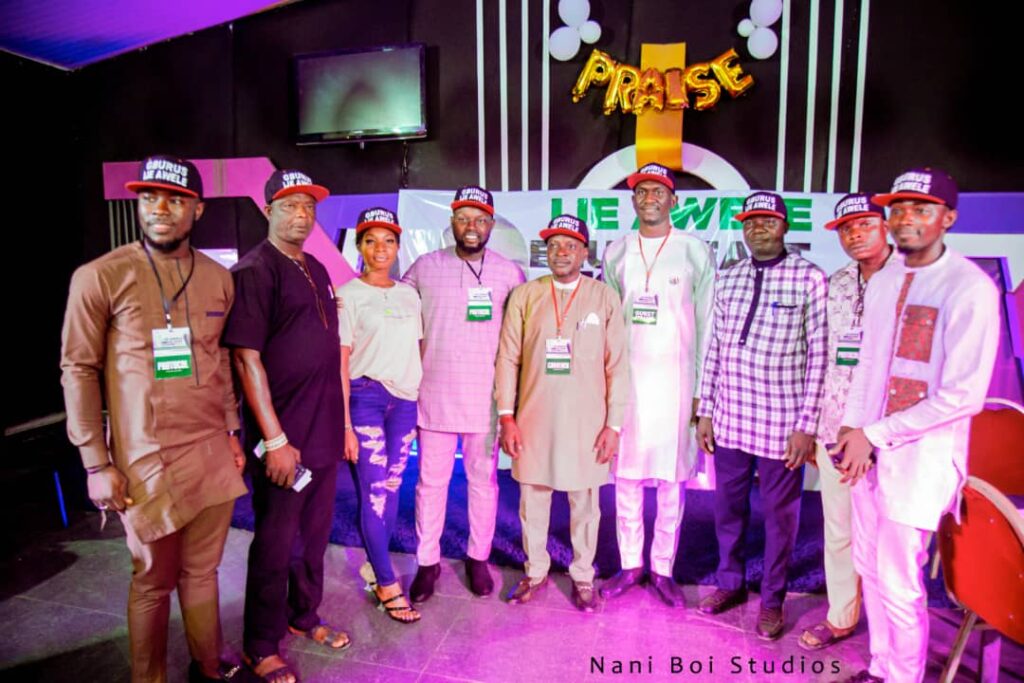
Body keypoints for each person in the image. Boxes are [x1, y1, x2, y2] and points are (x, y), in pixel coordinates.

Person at [60, 154, 247, 682]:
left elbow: (219, 361)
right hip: (144, 457)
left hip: (210, 449)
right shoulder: (100, 276)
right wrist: (96, 463)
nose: (160, 209)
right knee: (152, 579)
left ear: (197, 209)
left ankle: (208, 666)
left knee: (203, 570)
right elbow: (78, 369)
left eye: (174, 200)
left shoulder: (218, 278)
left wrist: (232, 432)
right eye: (149, 198)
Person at [832, 169, 1000, 683]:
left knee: (899, 579)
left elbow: (962, 396)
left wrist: (873, 435)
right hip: (867, 454)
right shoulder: (884, 281)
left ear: (948, 219)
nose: (906, 219)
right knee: (868, 566)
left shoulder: (969, 288)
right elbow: (866, 365)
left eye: (921, 209)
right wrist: (851, 429)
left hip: (920, 462)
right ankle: (881, 667)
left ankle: (903, 677)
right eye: (899, 208)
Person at [224, 169, 348, 683]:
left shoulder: (315, 266)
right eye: (290, 205)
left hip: (323, 431)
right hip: (283, 438)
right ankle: (260, 643)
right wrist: (274, 440)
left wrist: (341, 427)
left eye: (308, 207)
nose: (301, 215)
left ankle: (304, 616)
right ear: (268, 210)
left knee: (313, 537)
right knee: (276, 541)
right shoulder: (254, 271)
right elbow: (245, 358)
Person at [695, 191, 828, 640]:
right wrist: (706, 411)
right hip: (731, 418)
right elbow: (714, 347)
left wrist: (806, 426)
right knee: (727, 511)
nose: (758, 228)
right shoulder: (729, 277)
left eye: (768, 220)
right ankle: (730, 583)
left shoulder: (809, 278)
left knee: (779, 518)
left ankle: (772, 599)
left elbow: (820, 356)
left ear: (785, 227)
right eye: (750, 221)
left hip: (782, 424)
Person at [495, 214, 629, 612]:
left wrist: (613, 425)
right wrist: (506, 415)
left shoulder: (603, 297)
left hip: (587, 423)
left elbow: (618, 366)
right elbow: (507, 358)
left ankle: (583, 577)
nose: (561, 252)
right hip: (533, 419)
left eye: (570, 245)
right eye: (553, 245)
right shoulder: (526, 295)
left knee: (585, 505)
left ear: (585, 252)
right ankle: (535, 571)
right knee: (532, 502)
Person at [600, 163, 714, 607]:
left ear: (673, 200)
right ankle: (631, 564)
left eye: (659, 191)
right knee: (626, 477)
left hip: (678, 385)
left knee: (672, 481)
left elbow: (706, 322)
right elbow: (610, 322)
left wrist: (703, 390)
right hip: (627, 384)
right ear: (633, 200)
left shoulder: (693, 250)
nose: (650, 198)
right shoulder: (617, 251)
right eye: (642, 191)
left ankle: (663, 568)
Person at [403, 186, 525, 602]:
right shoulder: (424, 267)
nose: (471, 226)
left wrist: (512, 402)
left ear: (491, 225)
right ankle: (427, 562)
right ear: (451, 223)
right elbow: (397, 315)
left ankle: (478, 557)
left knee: (483, 483)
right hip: (433, 396)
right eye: (463, 218)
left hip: (485, 400)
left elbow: (518, 341)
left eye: (480, 219)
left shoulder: (509, 273)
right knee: (429, 484)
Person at [797, 194, 895, 652]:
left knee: (889, 538)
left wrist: (874, 433)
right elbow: (819, 358)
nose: (855, 234)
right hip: (833, 430)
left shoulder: (911, 282)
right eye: (846, 228)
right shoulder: (835, 283)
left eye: (865, 224)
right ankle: (842, 617)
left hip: (889, 437)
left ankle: (892, 630)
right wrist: (814, 426)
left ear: (887, 226)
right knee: (838, 530)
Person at [337, 207, 424, 623]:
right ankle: (388, 584)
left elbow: (416, 349)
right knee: (373, 493)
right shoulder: (348, 295)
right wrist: (344, 424)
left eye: (388, 241)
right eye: (370, 241)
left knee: (391, 488)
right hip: (365, 398)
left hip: (404, 402)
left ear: (397, 246)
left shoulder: (409, 294)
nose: (380, 248)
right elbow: (341, 361)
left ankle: (375, 568)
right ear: (359, 247)